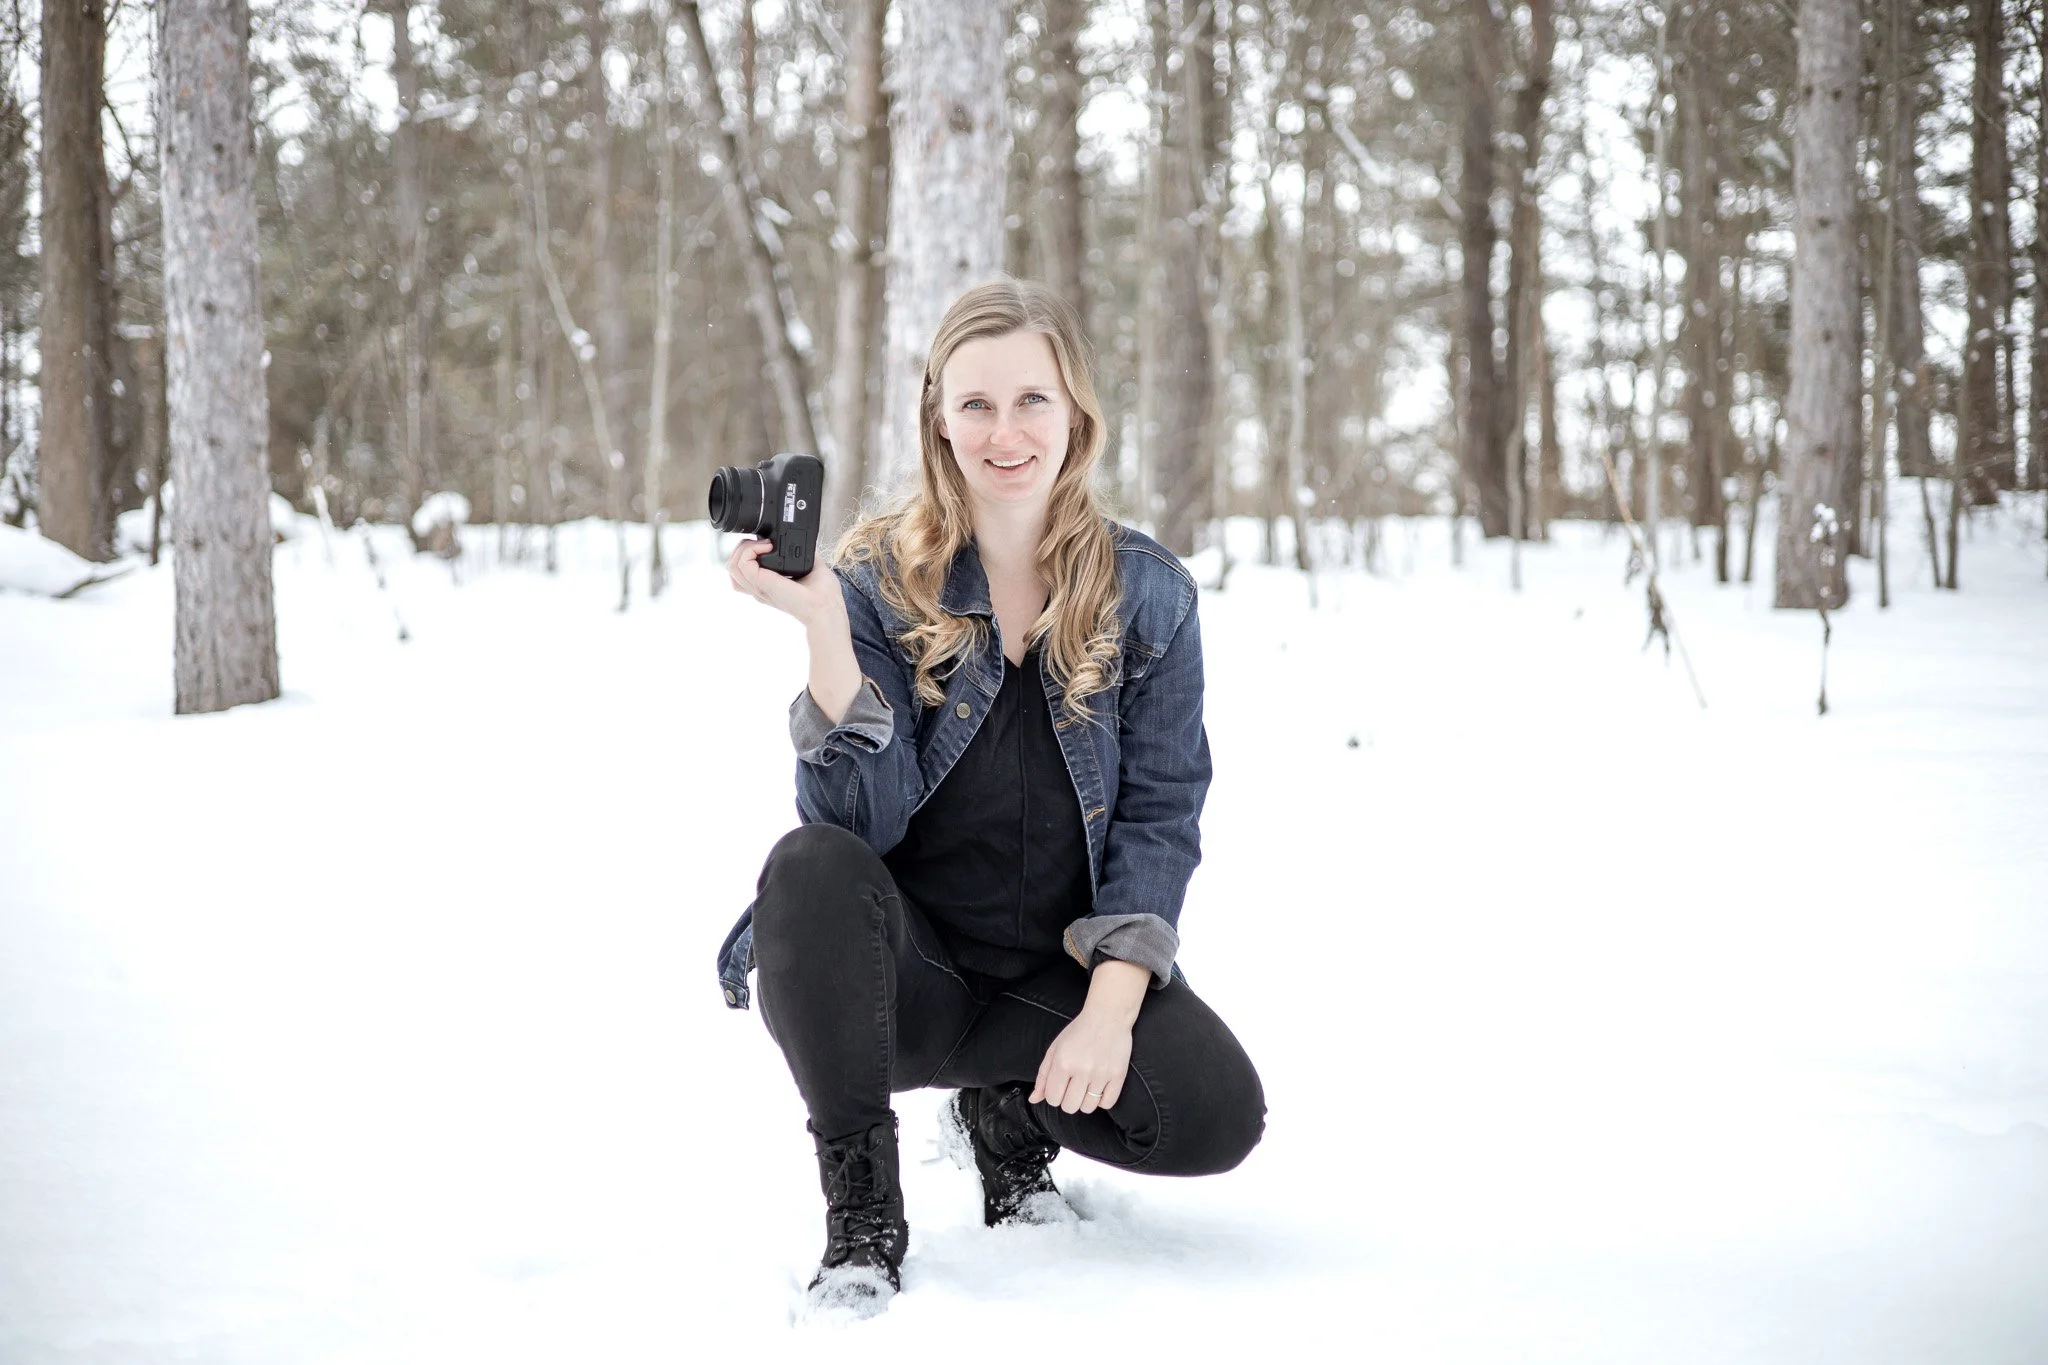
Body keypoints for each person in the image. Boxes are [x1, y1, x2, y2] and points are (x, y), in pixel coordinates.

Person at [716, 277, 1264, 1315]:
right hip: (907, 990)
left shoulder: (1147, 594)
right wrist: (825, 629)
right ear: (937, 417)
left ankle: (1006, 1117)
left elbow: (1157, 813)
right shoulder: (878, 577)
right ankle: (863, 1206)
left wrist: (1110, 1013)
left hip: (1047, 994)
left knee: (1214, 1115)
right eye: (973, 404)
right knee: (808, 865)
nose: (1002, 432)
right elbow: (855, 828)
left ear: (1076, 416)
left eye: (1030, 402)